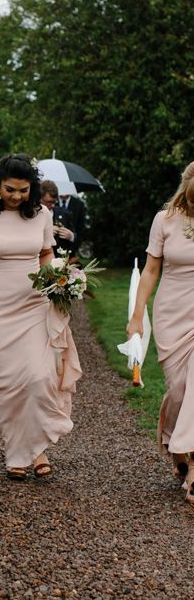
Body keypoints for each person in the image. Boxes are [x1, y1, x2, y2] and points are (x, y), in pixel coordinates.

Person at [0, 154, 81, 481]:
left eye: (23, 190)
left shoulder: (42, 214)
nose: (16, 196)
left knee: (39, 378)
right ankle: (18, 453)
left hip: (34, 305)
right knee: (6, 385)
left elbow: (45, 253)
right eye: (10, 190)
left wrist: (57, 283)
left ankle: (36, 447)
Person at [127, 161, 194, 505]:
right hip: (173, 311)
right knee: (181, 389)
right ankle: (173, 439)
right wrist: (137, 316)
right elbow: (151, 270)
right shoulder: (164, 220)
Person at [40, 180, 76, 254]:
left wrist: (71, 236)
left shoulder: (66, 214)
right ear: (39, 199)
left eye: (54, 201)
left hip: (61, 260)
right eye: (49, 202)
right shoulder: (31, 215)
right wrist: (45, 233)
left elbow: (76, 237)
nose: (53, 205)